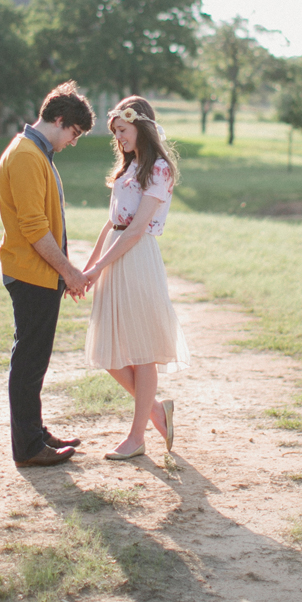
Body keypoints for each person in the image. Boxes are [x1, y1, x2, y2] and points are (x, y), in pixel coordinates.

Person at [83, 96, 189, 460]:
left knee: (142, 352)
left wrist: (100, 267)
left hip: (137, 257)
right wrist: (90, 265)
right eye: (115, 133)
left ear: (139, 126)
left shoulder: (159, 169)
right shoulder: (129, 168)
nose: (119, 139)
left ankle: (136, 437)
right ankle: (157, 411)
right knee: (110, 352)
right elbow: (112, 223)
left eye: (123, 131)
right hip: (116, 255)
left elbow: (135, 230)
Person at [0, 82, 95, 468]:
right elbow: (35, 228)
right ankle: (28, 447)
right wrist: (69, 271)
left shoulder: (37, 153)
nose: (72, 142)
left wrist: (62, 274)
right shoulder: (25, 155)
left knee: (34, 360)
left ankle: (34, 434)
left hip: (42, 274)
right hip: (31, 274)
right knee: (29, 362)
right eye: (73, 133)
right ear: (59, 120)